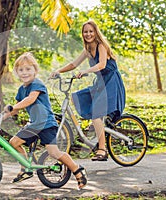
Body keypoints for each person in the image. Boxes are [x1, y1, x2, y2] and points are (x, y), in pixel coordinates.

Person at [3, 52, 87, 190]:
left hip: (47, 124)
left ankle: (77, 170)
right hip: (34, 125)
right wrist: (3, 115)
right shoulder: (20, 90)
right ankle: (26, 169)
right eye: (21, 70)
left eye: (28, 69)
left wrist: (14, 107)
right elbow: (16, 109)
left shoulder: (37, 84)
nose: (25, 73)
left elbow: (30, 99)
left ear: (35, 71)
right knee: (14, 142)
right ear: (17, 73)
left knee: (54, 153)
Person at [50, 20, 126, 161]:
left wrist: (86, 71)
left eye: (91, 31)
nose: (88, 34)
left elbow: (102, 65)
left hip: (111, 82)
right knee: (76, 97)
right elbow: (74, 64)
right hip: (101, 83)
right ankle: (99, 127)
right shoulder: (87, 50)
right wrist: (58, 71)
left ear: (96, 32)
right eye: (86, 31)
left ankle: (102, 150)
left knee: (96, 115)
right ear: (82, 34)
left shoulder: (101, 46)